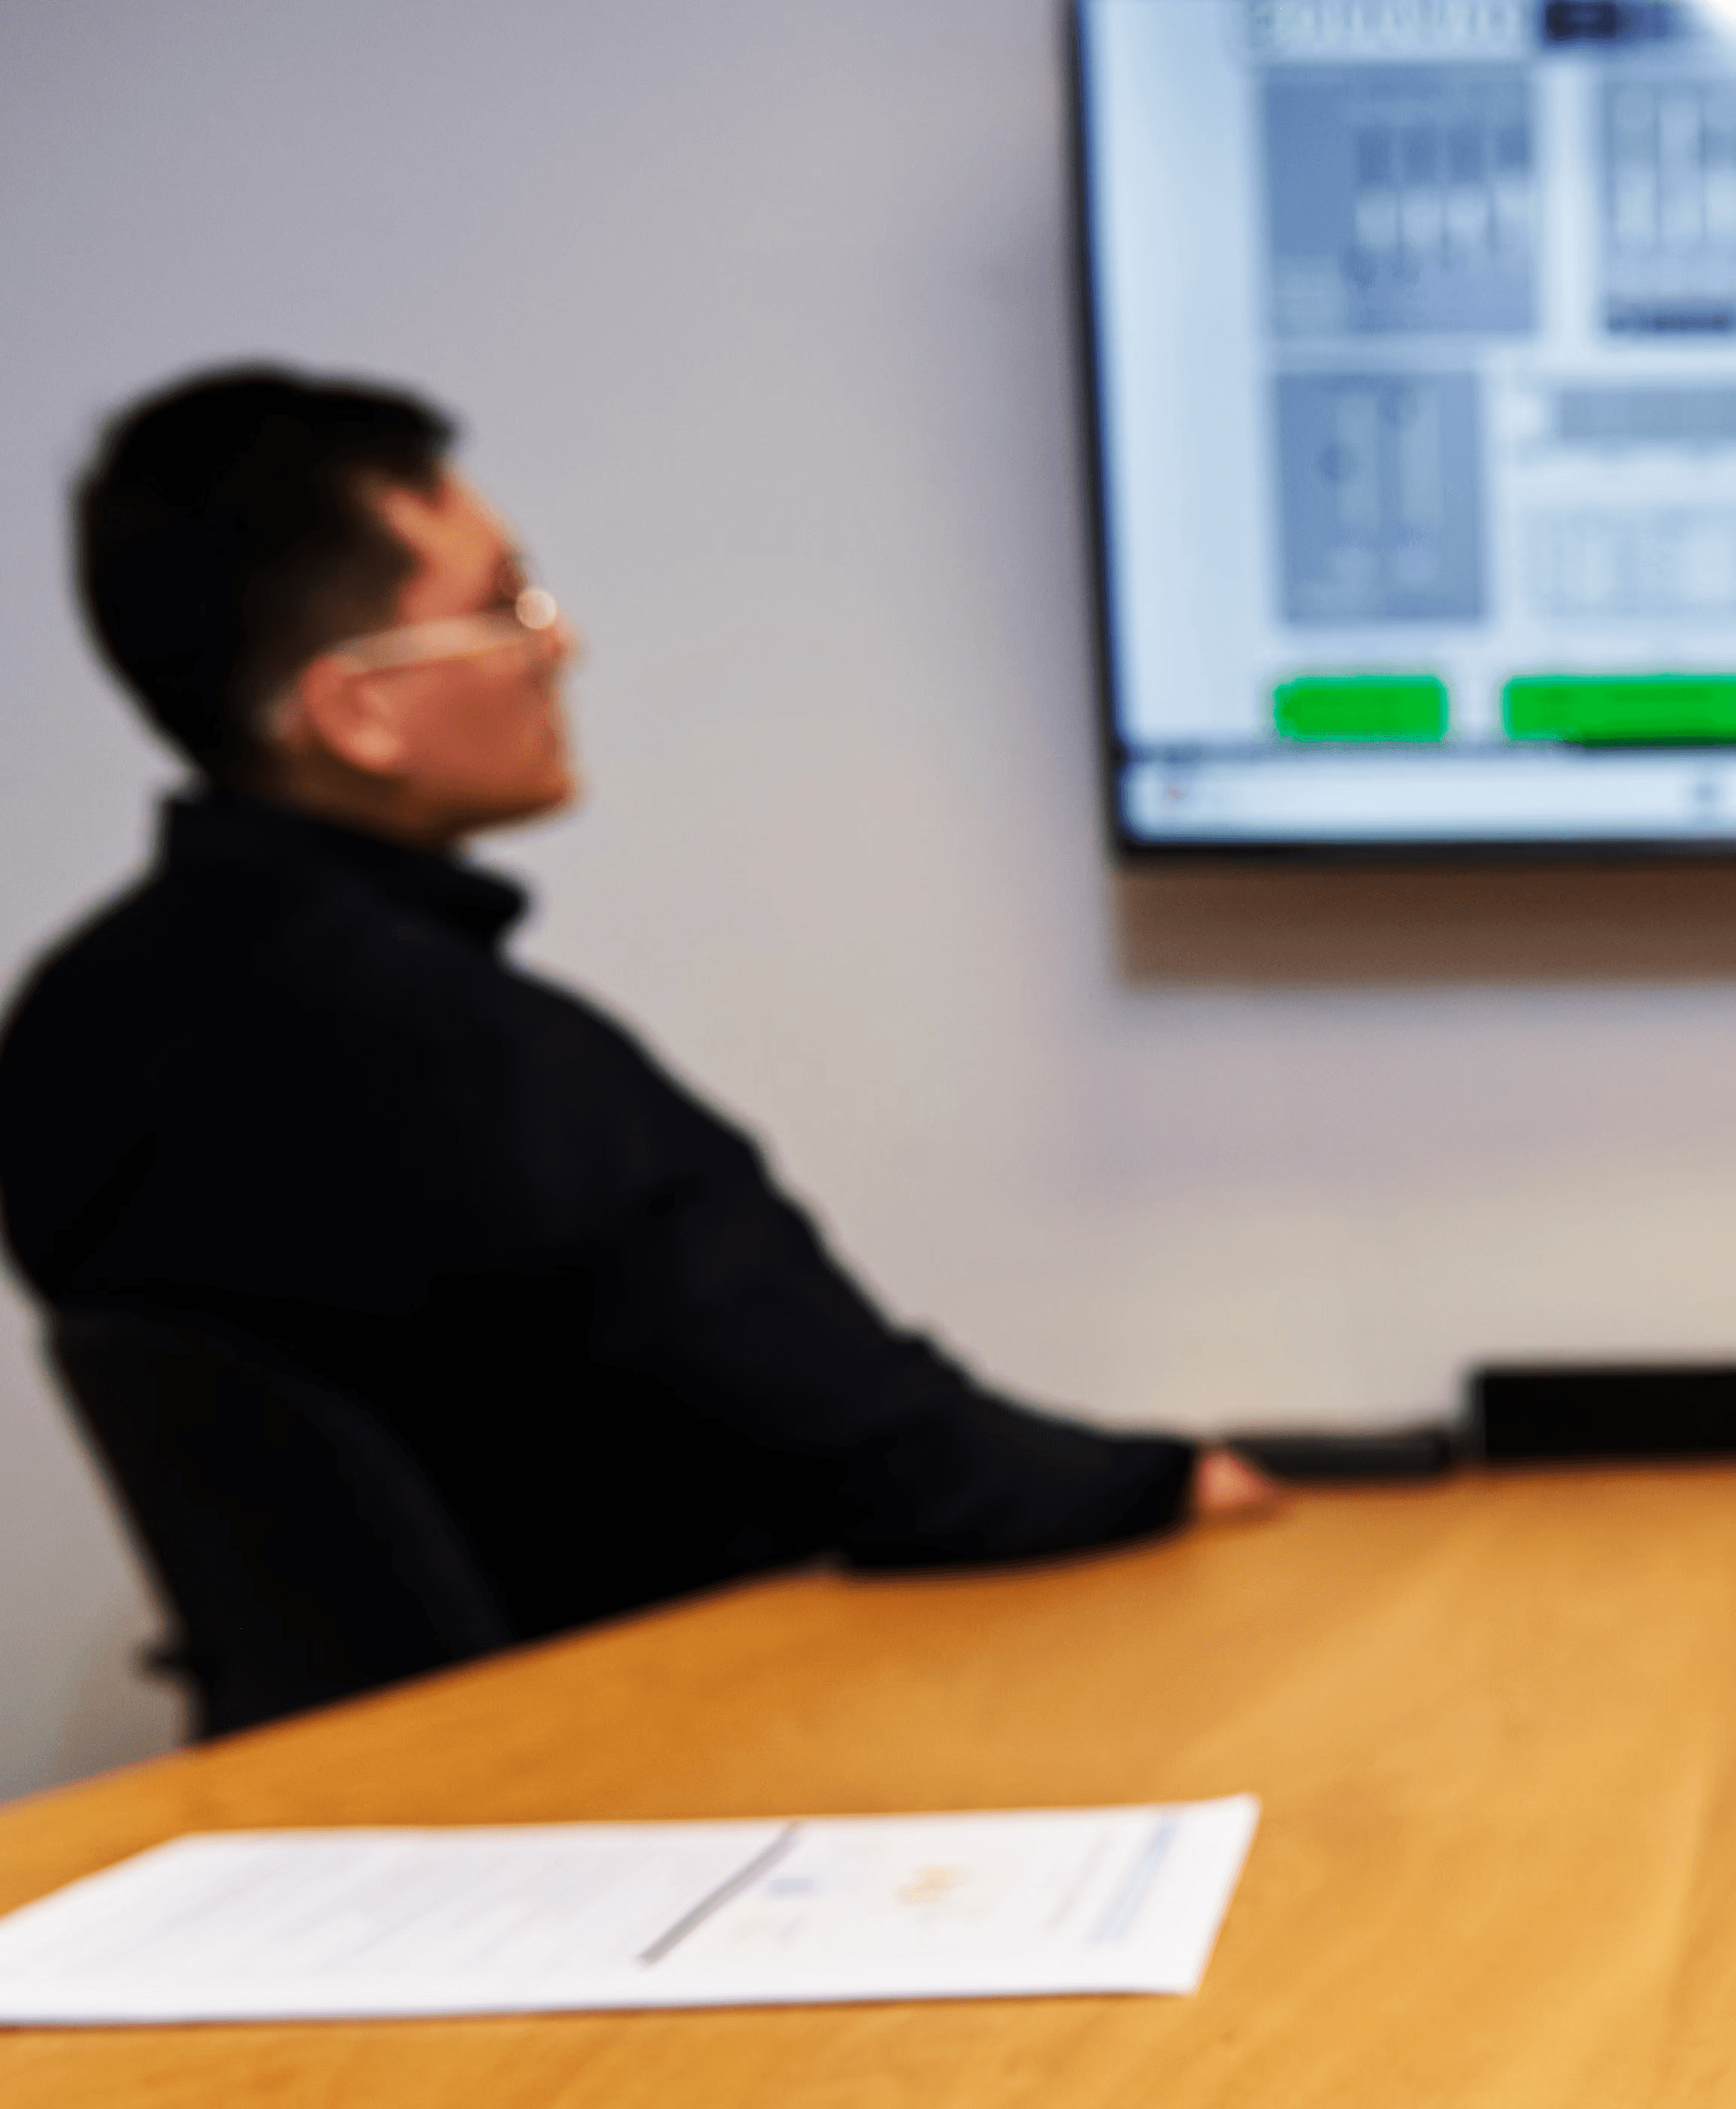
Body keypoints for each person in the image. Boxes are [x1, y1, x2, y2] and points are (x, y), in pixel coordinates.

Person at [1, 365, 1279, 1663]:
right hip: (629, 1780)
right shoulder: (473, 1055)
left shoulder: (64, 1031)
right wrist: (1172, 1481)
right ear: (358, 712)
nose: (561, 644)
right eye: (507, 605)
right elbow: (900, 1465)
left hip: (334, 1794)